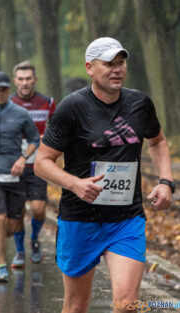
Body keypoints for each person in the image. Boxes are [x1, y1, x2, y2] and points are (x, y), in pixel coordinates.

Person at [34, 37, 174, 313]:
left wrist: (165, 181)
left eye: (121, 63)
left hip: (126, 219)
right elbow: (42, 162)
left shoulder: (140, 104)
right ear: (89, 67)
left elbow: (157, 141)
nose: (117, 69)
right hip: (80, 219)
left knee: (126, 305)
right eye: (109, 63)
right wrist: (74, 184)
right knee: (75, 306)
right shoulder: (72, 108)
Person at [0, 71, 40, 283]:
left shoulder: (20, 113)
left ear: (9, 89)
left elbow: (35, 139)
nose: (0, 93)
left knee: (14, 225)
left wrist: (23, 158)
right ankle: (1, 267)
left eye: (4, 89)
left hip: (16, 176)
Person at [10, 60, 56, 267]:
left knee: (38, 209)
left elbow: (56, 130)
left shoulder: (47, 102)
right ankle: (20, 251)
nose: (25, 83)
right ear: (15, 81)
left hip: (39, 165)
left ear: (35, 79)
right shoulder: (9, 103)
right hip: (15, 166)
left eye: (28, 79)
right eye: (21, 79)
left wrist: (45, 137)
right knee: (17, 213)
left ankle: (35, 239)